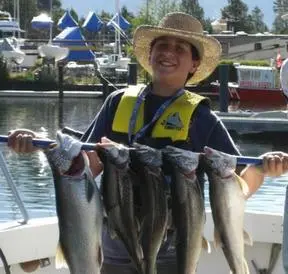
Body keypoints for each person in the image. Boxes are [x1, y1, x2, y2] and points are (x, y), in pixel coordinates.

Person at [7, 12, 288, 274]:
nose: (168, 52)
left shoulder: (204, 119)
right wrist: (37, 145)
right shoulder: (117, 102)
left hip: (173, 252)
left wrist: (264, 169)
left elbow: (238, 182)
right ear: (150, 54)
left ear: (194, 64)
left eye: (180, 48)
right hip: (113, 247)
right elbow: (86, 166)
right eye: (162, 45)